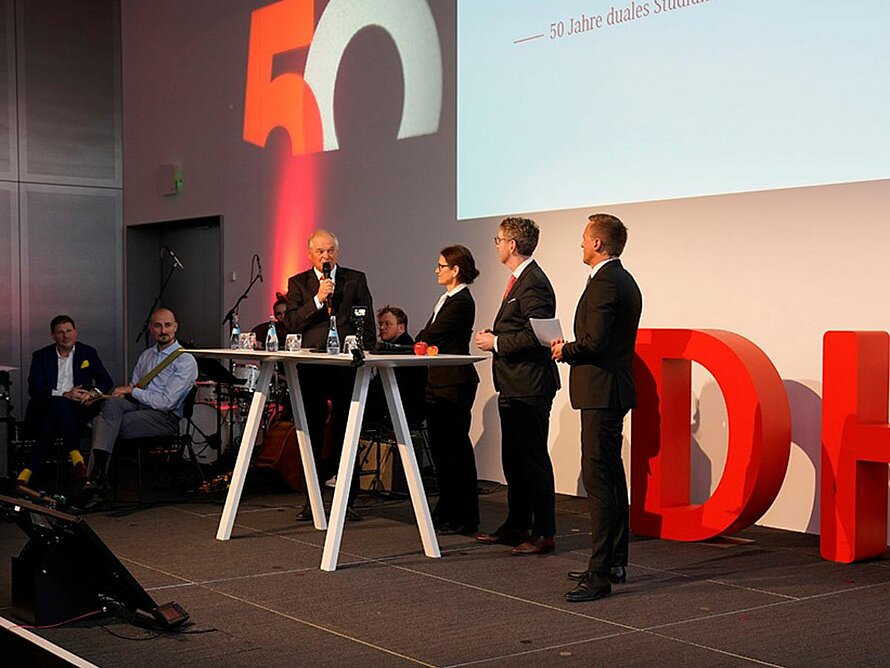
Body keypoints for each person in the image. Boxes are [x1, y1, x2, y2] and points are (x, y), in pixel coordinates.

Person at [551, 213, 642, 603]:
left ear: (598, 244)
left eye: (584, 238)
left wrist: (563, 350)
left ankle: (599, 572)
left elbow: (596, 342)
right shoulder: (620, 279)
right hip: (608, 390)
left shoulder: (607, 282)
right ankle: (614, 562)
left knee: (600, 483)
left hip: (603, 392)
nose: (581, 244)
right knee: (610, 478)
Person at [475, 217, 560, 555]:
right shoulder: (520, 280)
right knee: (513, 460)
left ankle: (544, 531)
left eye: (498, 240)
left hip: (529, 385)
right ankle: (516, 524)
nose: (496, 245)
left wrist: (496, 342)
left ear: (512, 245)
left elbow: (538, 335)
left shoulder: (534, 283)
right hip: (513, 384)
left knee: (532, 459)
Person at [283, 229, 375, 521]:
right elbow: (292, 323)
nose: (326, 256)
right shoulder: (299, 283)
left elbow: (367, 321)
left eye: (331, 251)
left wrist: (367, 356)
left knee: (345, 431)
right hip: (313, 366)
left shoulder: (355, 279)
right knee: (311, 429)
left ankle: (346, 500)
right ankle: (312, 499)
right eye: (320, 252)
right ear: (310, 254)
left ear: (338, 252)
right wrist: (318, 300)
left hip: (346, 367)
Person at [80, 308, 198, 504]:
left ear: (176, 327)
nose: (163, 330)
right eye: (158, 326)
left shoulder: (185, 361)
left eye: (168, 325)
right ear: (151, 329)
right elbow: (133, 392)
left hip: (164, 418)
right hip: (140, 409)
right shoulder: (146, 356)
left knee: (106, 423)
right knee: (111, 406)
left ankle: (94, 481)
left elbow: (166, 403)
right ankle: (97, 479)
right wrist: (117, 394)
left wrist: (131, 391)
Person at [417, 245, 481, 535]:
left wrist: (424, 341)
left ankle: (464, 514)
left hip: (454, 382)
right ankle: (446, 508)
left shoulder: (462, 301)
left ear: (456, 270)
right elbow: (426, 337)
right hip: (437, 381)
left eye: (441, 266)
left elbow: (431, 335)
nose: (437, 270)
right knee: (441, 450)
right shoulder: (446, 298)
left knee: (455, 449)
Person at [19, 315, 113, 487]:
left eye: (69, 331)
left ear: (75, 332)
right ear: (53, 336)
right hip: (47, 406)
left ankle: (28, 470)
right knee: (60, 404)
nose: (65, 336)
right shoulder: (41, 356)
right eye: (60, 332)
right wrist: (64, 394)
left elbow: (106, 381)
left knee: (53, 421)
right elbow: (35, 388)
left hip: (79, 409)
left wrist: (93, 393)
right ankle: (76, 456)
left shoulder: (88, 352)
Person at [364, 305, 426, 426]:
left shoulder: (401, 352)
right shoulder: (407, 347)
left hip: (402, 409)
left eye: (387, 324)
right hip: (405, 408)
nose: (382, 328)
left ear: (401, 328)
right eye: (380, 324)